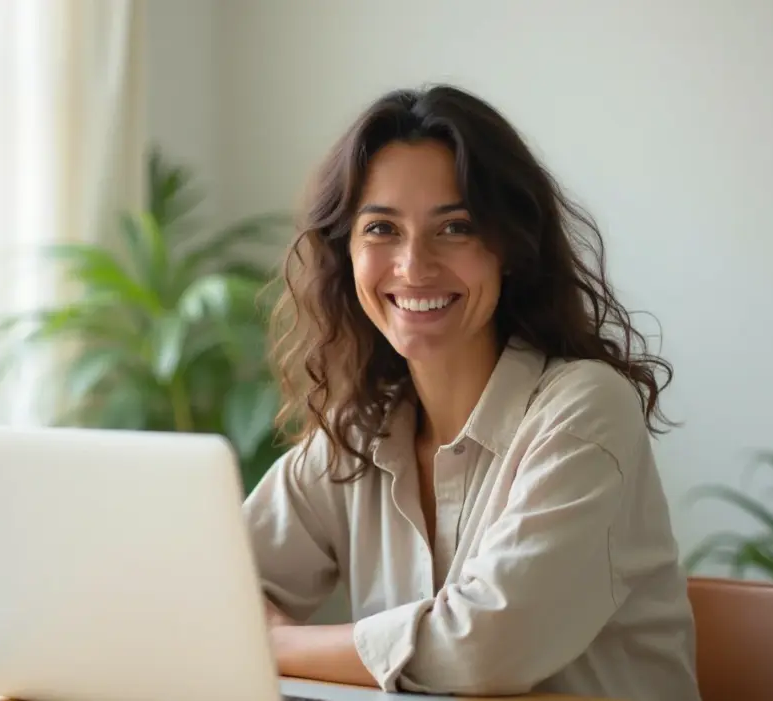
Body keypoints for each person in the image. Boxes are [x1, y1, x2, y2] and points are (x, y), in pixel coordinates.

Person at [242, 84, 701, 700]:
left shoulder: (586, 412)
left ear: (508, 248)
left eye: (455, 227)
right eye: (380, 228)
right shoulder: (361, 432)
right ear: (345, 256)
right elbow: (212, 586)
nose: (413, 266)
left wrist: (274, 644)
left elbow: (485, 650)